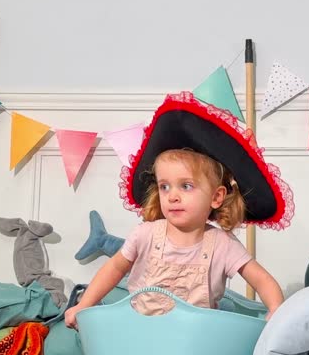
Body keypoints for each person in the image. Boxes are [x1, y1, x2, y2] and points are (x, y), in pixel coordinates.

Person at [65, 91, 294, 329]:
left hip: (194, 340)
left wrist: (276, 307)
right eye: (165, 186)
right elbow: (114, 268)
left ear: (216, 197)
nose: (172, 196)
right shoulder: (145, 234)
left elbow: (261, 278)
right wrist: (85, 304)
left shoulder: (222, 244)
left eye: (186, 186)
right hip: (141, 332)